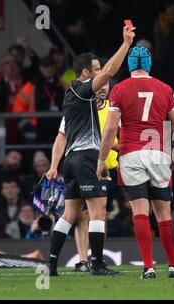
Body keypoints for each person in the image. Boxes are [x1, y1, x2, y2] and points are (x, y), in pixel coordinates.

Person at [47, 24, 135, 277]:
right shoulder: (83, 90)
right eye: (95, 70)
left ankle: (51, 264)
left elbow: (63, 136)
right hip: (86, 157)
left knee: (70, 213)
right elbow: (109, 71)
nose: (100, 74)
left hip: (71, 160)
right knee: (99, 211)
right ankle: (97, 264)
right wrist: (126, 44)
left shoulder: (70, 94)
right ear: (85, 72)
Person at [97, 46, 174, 279]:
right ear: (149, 64)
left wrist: (101, 159)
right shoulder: (165, 89)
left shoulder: (119, 89)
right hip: (157, 152)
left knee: (140, 211)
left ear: (129, 64)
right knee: (164, 213)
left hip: (130, 154)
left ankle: (148, 267)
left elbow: (109, 128)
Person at [45, 83, 116, 273]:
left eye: (106, 84)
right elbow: (61, 137)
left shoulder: (113, 107)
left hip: (108, 166)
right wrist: (53, 165)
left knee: (84, 214)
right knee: (91, 214)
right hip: (89, 164)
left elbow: (121, 137)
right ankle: (92, 262)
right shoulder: (81, 105)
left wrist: (117, 147)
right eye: (100, 82)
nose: (103, 87)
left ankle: (52, 264)